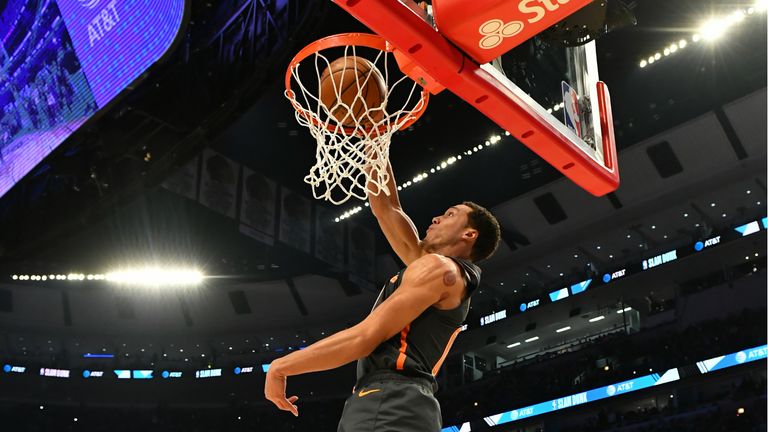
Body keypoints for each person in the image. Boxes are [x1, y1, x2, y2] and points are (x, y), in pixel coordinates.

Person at [265, 159, 501, 431]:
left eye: (450, 215)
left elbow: (365, 337)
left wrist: (281, 367)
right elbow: (387, 207)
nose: (436, 218)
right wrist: (376, 141)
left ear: (469, 234)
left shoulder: (440, 270)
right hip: (398, 402)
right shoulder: (436, 269)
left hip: (391, 400)